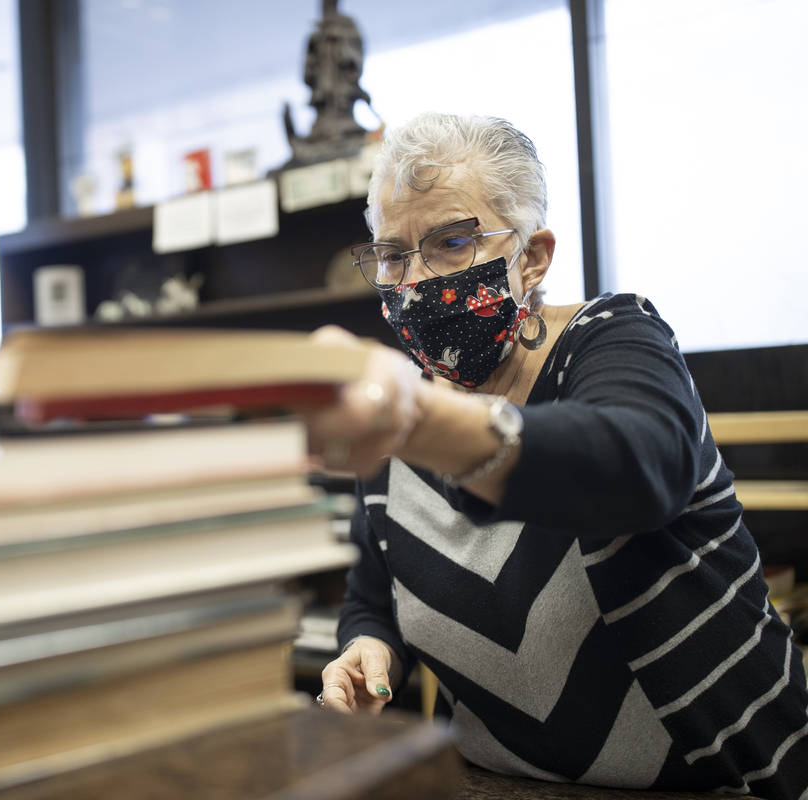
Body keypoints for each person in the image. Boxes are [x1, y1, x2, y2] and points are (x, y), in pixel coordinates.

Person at [304, 113, 808, 799]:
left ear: (533, 257)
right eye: (393, 254)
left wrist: (423, 420)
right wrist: (368, 650)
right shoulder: (398, 419)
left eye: (452, 242)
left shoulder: (611, 338)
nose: (415, 279)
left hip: (729, 783)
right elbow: (374, 597)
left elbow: (640, 465)